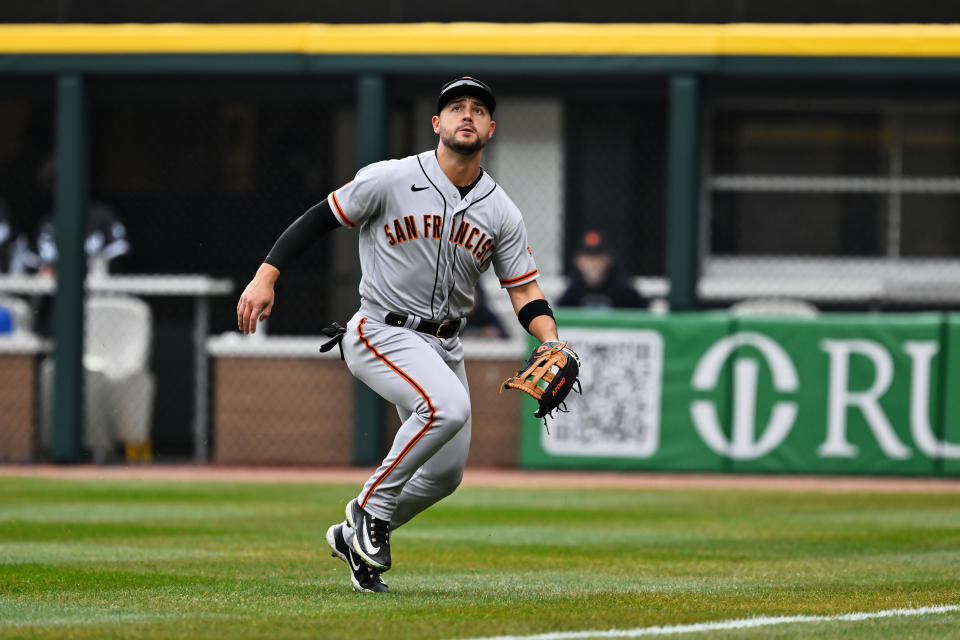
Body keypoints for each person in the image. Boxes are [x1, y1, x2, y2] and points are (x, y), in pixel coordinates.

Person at [237, 77, 567, 593]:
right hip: (380, 329)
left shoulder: (501, 210)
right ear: (436, 124)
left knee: (445, 476)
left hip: (445, 343)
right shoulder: (389, 179)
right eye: (456, 107)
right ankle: (369, 506)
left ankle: (354, 535)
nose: (467, 115)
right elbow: (319, 218)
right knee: (447, 408)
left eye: (478, 110)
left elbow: (524, 291)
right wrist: (266, 274)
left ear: (490, 128)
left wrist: (549, 340)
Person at [558, 229, 646, 309]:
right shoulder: (572, 290)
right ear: (578, 261)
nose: (593, 263)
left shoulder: (624, 289)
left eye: (598, 257)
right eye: (588, 258)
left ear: (609, 259)